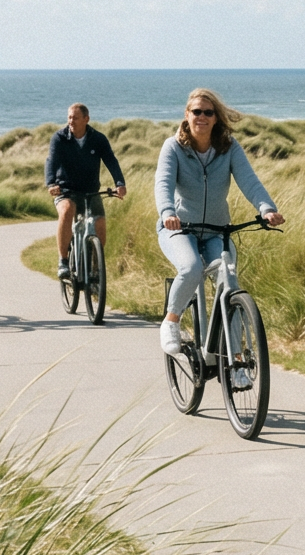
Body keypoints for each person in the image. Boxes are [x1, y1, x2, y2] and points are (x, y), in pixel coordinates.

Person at [154, 88, 282, 357]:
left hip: (217, 231)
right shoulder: (173, 147)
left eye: (208, 112)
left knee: (229, 282)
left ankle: (236, 361)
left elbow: (250, 182)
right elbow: (163, 183)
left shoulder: (229, 147)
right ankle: (171, 320)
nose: (202, 116)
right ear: (187, 115)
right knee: (191, 268)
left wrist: (267, 209)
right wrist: (167, 213)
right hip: (180, 228)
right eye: (196, 111)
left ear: (215, 118)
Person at [45, 102, 127, 280]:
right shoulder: (59, 138)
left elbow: (111, 161)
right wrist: (51, 184)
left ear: (86, 119)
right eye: (69, 117)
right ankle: (63, 261)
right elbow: (51, 161)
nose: (71, 121)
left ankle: (96, 269)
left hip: (90, 192)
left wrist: (120, 183)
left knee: (100, 224)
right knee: (67, 211)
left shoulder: (98, 139)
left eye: (75, 118)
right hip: (65, 190)